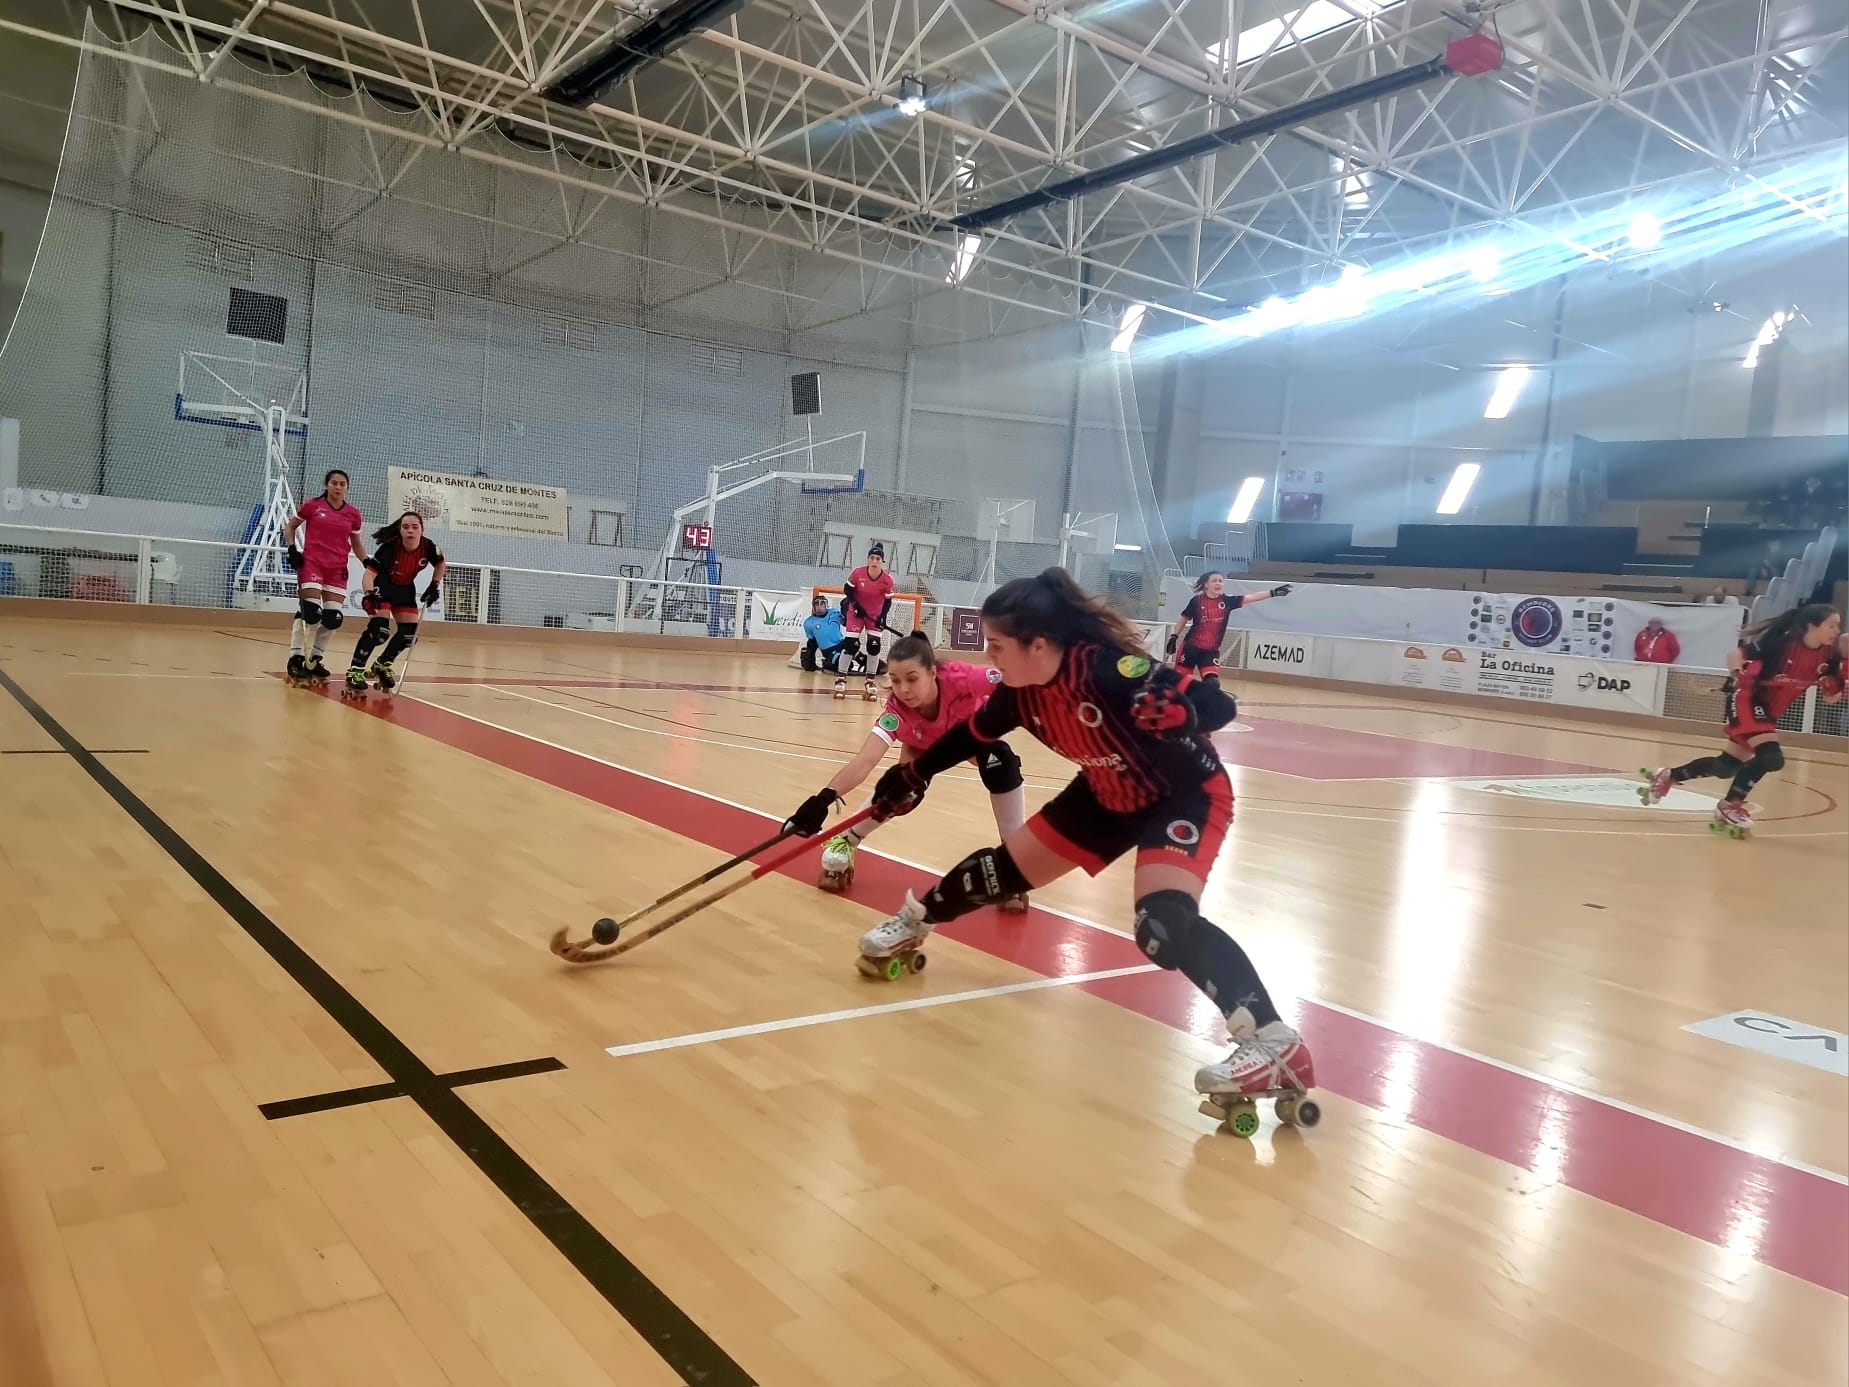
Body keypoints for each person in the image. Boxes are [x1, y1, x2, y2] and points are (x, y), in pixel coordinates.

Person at [859, 566, 1314, 1127]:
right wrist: (913, 774)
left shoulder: (1108, 669)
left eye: (997, 645)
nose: (988, 656)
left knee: (1162, 924)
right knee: (1001, 872)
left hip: (1183, 795)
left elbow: (1220, 708)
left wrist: (1184, 713)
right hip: (1106, 791)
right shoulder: (1019, 694)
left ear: (1038, 644)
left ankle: (1273, 1041)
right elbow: (970, 736)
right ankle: (916, 921)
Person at [781, 631, 1028, 909]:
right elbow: (865, 761)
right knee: (900, 793)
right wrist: (824, 798)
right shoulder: (896, 712)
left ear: (932, 673)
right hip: (923, 747)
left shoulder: (962, 677)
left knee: (1000, 762)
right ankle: (847, 841)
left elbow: (1017, 685)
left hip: (971, 736)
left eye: (912, 679)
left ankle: (1013, 864)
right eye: (896, 681)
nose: (903, 689)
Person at [1641, 603, 1844, 834]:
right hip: (1747, 700)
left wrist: (1832, 687)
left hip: (1768, 713)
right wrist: (1737, 674)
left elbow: (1832, 698)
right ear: (1812, 625)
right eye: (1832, 625)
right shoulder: (1781, 644)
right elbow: (1735, 655)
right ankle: (1729, 805)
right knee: (1771, 757)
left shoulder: (1830, 656)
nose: (1837, 631)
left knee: (1725, 767)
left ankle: (1669, 775)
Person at [1167, 571, 1291, 730]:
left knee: (1212, 684)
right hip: (1190, 648)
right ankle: (1173, 714)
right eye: (1214, 581)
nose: (1218, 583)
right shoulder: (1196, 601)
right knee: (1179, 683)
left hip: (1210, 651)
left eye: (1220, 581)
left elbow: (1250, 597)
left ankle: (1201, 716)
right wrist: (1174, 636)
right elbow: (1184, 617)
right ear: (1206, 584)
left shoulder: (1227, 601)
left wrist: (1272, 593)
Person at [343, 511, 445, 696]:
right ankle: (355, 671)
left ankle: (382, 664)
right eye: (405, 527)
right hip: (383, 586)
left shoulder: (428, 547)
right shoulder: (389, 548)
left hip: (405, 589)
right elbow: (369, 575)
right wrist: (369, 594)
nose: (410, 531)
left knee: (410, 635)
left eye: (415, 527)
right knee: (379, 631)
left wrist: (434, 585)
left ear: (422, 529)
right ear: (400, 530)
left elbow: (440, 564)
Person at [282, 468, 368, 684]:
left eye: (342, 484)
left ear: (347, 488)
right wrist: (292, 549)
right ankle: (296, 658)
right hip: (312, 563)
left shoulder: (353, 514)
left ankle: (314, 659)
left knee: (333, 619)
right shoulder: (313, 505)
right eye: (334, 483)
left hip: (337, 569)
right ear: (327, 485)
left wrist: (368, 562)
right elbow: (290, 527)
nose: (338, 487)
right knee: (311, 613)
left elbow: (356, 544)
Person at [840, 542, 897, 700]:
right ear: (868, 559)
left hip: (874, 615)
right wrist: (855, 605)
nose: (874, 561)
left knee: (874, 646)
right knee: (851, 645)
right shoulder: (858, 573)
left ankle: (870, 681)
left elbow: (888, 601)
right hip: (856, 613)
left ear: (882, 561)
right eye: (872, 557)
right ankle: (841, 678)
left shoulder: (887, 580)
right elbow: (848, 589)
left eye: (877, 558)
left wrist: (882, 617)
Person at [800, 594, 847, 675]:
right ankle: (829, 662)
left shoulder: (834, 613)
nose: (819, 606)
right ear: (813, 607)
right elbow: (812, 641)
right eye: (817, 604)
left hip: (841, 643)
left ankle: (865, 662)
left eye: (822, 603)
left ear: (826, 605)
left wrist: (846, 609)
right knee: (841, 662)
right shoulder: (809, 622)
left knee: (853, 646)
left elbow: (845, 623)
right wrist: (810, 661)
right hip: (829, 649)